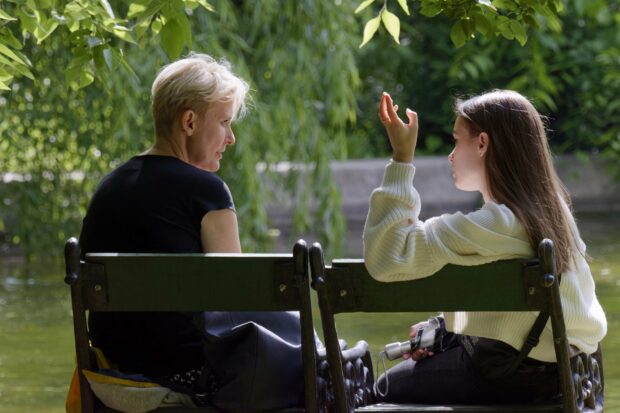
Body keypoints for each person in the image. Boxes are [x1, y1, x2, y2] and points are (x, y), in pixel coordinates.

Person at [79, 53, 304, 409]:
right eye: (225, 123)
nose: (230, 138)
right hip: (189, 379)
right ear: (189, 122)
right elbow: (240, 303)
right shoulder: (207, 191)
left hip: (112, 376)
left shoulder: (108, 188)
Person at [363, 90, 607, 404]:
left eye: (456, 140)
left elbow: (386, 259)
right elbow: (518, 318)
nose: (451, 154)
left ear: (482, 143)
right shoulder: (553, 214)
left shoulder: (491, 224)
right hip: (574, 371)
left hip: (512, 375)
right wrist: (447, 328)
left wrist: (401, 158)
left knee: (381, 388)